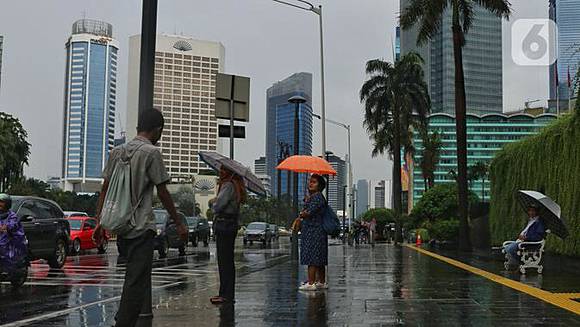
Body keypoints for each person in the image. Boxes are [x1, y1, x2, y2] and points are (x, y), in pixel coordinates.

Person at [94, 109, 187, 327]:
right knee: (136, 283)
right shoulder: (151, 153)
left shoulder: (117, 152)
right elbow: (163, 192)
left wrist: (99, 220)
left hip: (122, 228)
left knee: (133, 280)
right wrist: (178, 222)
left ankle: (123, 320)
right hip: (141, 228)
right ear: (158, 130)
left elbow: (105, 189)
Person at [210, 166, 247, 305]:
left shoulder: (228, 185)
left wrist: (212, 203)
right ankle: (226, 294)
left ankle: (225, 295)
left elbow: (218, 206)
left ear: (229, 173)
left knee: (224, 261)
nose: (220, 173)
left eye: (222, 170)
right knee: (227, 262)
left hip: (224, 224)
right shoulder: (235, 185)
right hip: (230, 225)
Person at [296, 174, 329, 291]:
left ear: (319, 185)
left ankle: (311, 283)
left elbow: (308, 213)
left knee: (312, 258)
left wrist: (302, 213)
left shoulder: (317, 197)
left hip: (313, 231)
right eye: (310, 181)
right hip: (316, 231)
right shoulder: (316, 197)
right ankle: (321, 281)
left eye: (314, 182)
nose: (310, 183)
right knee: (319, 258)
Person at [0, 194, 28, 272]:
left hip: (10, 239)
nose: (0, 204)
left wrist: (6, 227)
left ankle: (9, 268)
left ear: (7, 204)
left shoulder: (12, 216)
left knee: (3, 247)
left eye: (2, 202)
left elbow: (12, 225)